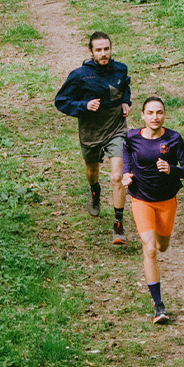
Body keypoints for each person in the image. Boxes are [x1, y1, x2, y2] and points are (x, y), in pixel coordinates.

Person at [121, 97, 184, 324]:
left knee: (162, 246)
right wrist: (126, 173)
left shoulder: (173, 139)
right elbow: (126, 157)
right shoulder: (132, 137)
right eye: (150, 113)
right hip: (141, 199)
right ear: (142, 115)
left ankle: (158, 302)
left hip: (166, 200)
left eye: (159, 112)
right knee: (150, 248)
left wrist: (171, 169)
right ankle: (158, 305)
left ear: (165, 115)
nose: (155, 117)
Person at [54, 32, 132, 244]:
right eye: (98, 50)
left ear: (111, 48)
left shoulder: (120, 69)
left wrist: (126, 102)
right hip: (91, 130)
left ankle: (118, 225)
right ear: (91, 51)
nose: (103, 53)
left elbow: (124, 87)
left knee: (117, 176)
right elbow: (61, 100)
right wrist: (83, 106)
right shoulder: (80, 75)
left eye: (106, 49)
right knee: (92, 171)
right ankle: (95, 190)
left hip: (116, 128)